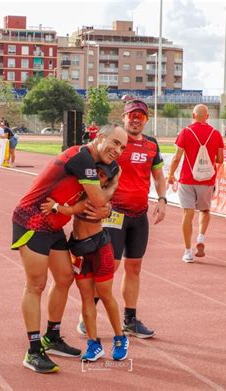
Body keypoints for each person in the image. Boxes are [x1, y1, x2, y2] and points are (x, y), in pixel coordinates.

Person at [11, 124, 127, 373]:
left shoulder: (92, 163)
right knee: (35, 286)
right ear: (100, 137)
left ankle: (51, 337)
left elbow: (94, 206)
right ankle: (33, 351)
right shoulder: (82, 157)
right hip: (31, 221)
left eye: (122, 147)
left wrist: (105, 207)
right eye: (115, 142)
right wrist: (115, 183)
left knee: (64, 278)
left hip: (53, 225)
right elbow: (97, 200)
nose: (118, 150)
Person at [78, 99, 167, 338]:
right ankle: (87, 316)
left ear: (146, 120)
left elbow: (158, 176)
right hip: (114, 213)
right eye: (132, 115)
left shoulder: (152, 145)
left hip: (139, 215)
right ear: (124, 117)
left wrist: (162, 199)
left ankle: (130, 319)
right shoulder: (115, 144)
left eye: (141, 116)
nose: (136, 119)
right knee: (111, 266)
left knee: (134, 267)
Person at [40, 162, 129, 362]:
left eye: (103, 176)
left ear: (108, 181)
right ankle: (93, 343)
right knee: (86, 297)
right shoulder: (84, 188)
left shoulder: (101, 197)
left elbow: (74, 209)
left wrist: (55, 207)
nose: (98, 177)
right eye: (96, 172)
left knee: (105, 296)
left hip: (100, 248)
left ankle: (120, 338)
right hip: (79, 250)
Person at [167, 104, 224, 262]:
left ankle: (187, 251)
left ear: (193, 115)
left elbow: (177, 157)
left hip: (187, 179)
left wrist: (171, 174)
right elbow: (220, 159)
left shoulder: (186, 132)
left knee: (188, 213)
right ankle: (200, 239)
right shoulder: (216, 133)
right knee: (205, 211)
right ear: (207, 117)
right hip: (207, 180)